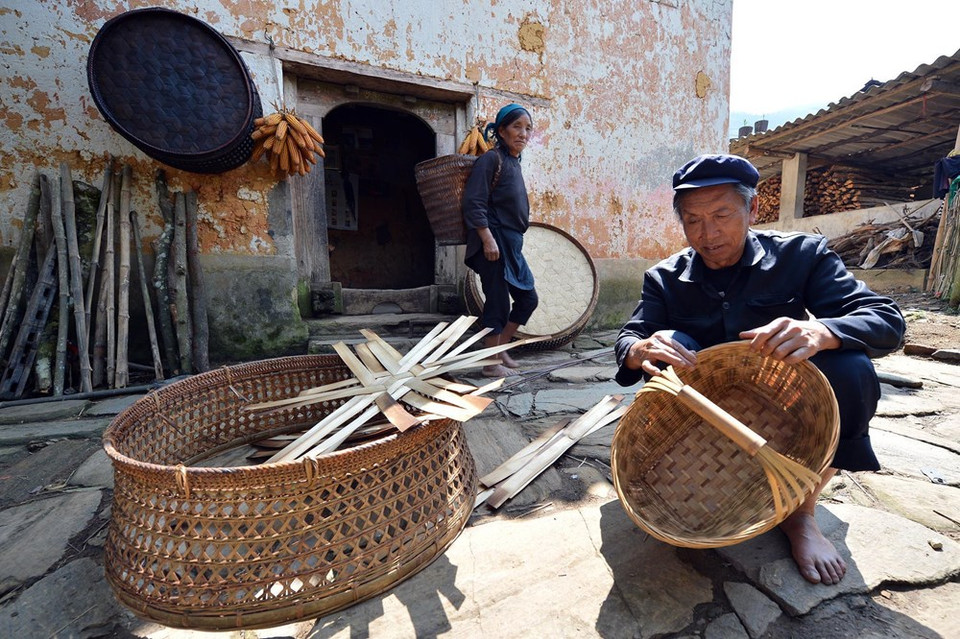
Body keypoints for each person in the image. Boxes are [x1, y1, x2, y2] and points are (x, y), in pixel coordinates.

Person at [615, 153, 906, 586]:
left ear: (752, 209)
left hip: (780, 401)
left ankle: (802, 514)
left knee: (849, 366)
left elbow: (887, 319)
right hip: (704, 411)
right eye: (692, 220)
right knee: (675, 343)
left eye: (721, 215)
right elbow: (630, 337)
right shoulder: (664, 277)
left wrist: (821, 331)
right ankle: (712, 476)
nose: (707, 234)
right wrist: (639, 348)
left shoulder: (802, 254)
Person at [462, 104, 539, 377]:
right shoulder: (491, 160)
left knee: (528, 299)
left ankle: (499, 347)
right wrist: (486, 238)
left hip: (511, 244)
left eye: (527, 128)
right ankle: (490, 364)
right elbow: (474, 202)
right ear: (502, 131)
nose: (523, 133)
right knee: (497, 302)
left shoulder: (513, 163)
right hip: (493, 242)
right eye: (517, 127)